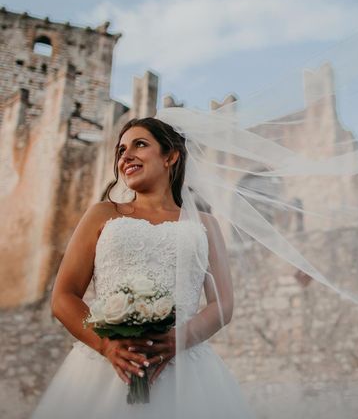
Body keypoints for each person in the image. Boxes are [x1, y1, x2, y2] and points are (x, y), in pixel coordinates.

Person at [30, 117, 257, 419]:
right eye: (121, 150)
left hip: (185, 372)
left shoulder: (205, 224)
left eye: (140, 144)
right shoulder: (102, 214)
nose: (126, 156)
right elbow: (63, 297)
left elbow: (223, 304)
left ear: (170, 156)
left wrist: (180, 339)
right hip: (103, 369)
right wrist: (107, 346)